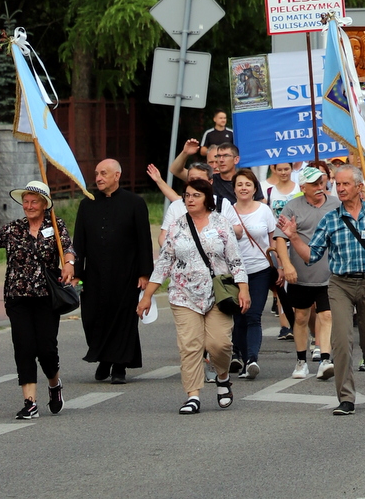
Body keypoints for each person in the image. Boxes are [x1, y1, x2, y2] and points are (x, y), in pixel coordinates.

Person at [0, 179, 75, 420]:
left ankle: (54, 385)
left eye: (34, 201)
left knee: (46, 349)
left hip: (46, 297)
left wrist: (69, 264)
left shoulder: (56, 226)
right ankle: (30, 403)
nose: (29, 205)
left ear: (45, 204)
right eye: (25, 201)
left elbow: (68, 248)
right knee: (24, 347)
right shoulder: (14, 228)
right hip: (17, 297)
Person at [138, 181, 249, 414]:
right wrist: (147, 296)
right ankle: (193, 395)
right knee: (190, 346)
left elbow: (235, 260)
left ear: (206, 198)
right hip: (183, 294)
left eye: (195, 195)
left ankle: (222, 377)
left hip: (217, 295)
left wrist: (243, 288)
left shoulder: (221, 223)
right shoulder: (177, 226)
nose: (190, 199)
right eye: (187, 195)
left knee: (219, 344)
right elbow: (164, 262)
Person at [302, 164, 365, 415]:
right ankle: (346, 398)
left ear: (359, 187)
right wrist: (292, 237)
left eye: (345, 184)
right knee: (341, 341)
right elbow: (312, 255)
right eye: (337, 184)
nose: (339, 188)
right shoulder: (331, 218)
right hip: (340, 284)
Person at [74, 158, 153, 385]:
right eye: (97, 173)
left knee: (123, 321)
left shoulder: (135, 203)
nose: (98, 178)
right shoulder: (86, 204)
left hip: (126, 274)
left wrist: (144, 273)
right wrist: (77, 273)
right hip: (95, 275)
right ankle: (103, 358)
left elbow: (143, 241)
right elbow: (79, 241)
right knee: (93, 317)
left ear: (116, 175)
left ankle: (119, 367)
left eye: (103, 173)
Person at [273, 166, 337, 382]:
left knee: (326, 315)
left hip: (329, 273)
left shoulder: (335, 205)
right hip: (300, 274)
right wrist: (287, 264)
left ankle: (325, 359)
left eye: (322, 183)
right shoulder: (292, 207)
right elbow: (279, 238)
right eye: (314, 184)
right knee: (301, 317)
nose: (320, 187)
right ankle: (301, 361)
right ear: (303, 187)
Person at [227, 168, 276, 381]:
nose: (244, 188)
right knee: (238, 317)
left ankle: (252, 359)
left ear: (255, 188)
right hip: (235, 272)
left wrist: (280, 266)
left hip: (260, 270)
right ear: (234, 189)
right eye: (240, 185)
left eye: (248, 184)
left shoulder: (264, 210)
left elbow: (274, 240)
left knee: (254, 315)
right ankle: (239, 356)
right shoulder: (227, 211)